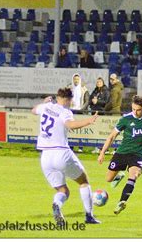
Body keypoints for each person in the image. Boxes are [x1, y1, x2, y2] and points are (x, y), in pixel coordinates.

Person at [32, 88, 100, 225]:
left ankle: (57, 204)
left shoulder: (46, 107)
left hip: (45, 156)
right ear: (69, 99)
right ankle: (89, 216)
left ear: (57, 97)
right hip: (61, 153)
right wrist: (88, 121)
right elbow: (70, 125)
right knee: (83, 181)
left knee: (63, 190)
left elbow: (33, 110)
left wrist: (44, 102)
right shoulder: (64, 111)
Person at [68, 74, 90, 153]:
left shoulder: (84, 89)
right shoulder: (69, 88)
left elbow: (87, 101)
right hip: (71, 111)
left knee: (80, 129)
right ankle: (71, 146)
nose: (76, 81)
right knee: (71, 129)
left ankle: (80, 147)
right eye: (75, 79)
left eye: (77, 79)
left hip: (80, 112)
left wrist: (82, 109)